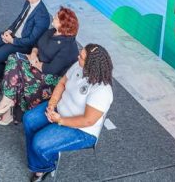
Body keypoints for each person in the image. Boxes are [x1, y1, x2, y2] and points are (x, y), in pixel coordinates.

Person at [23, 44, 114, 181]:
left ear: (92, 65)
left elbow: (87, 121)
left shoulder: (102, 91)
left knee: (39, 143)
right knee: (29, 119)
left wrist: (59, 120)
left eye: (82, 57)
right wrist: (52, 104)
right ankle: (39, 162)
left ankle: (44, 167)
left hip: (81, 130)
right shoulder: (78, 66)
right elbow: (62, 83)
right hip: (60, 110)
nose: (78, 57)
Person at [0, 7, 80, 125]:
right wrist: (33, 54)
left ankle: (8, 104)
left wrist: (34, 63)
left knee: (20, 75)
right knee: (13, 58)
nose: (53, 17)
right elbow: (36, 44)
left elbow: (51, 69)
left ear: (63, 24)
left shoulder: (69, 46)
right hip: (37, 64)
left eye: (56, 18)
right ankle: (8, 101)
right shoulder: (51, 32)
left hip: (50, 78)